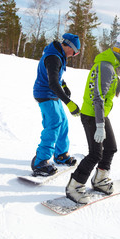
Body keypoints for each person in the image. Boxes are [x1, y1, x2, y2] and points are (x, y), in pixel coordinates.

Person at [66, 34, 120, 204]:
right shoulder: (106, 67)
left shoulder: (112, 66)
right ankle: (74, 186)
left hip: (100, 114)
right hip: (92, 115)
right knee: (95, 154)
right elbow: (98, 96)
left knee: (110, 148)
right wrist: (100, 125)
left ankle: (99, 180)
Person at [31, 33, 81, 176]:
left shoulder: (57, 54)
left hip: (51, 93)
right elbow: (52, 83)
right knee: (54, 123)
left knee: (63, 122)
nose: (74, 55)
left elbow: (55, 77)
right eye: (75, 52)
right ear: (69, 47)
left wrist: (64, 85)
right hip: (45, 93)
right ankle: (40, 161)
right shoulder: (53, 57)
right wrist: (69, 102)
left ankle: (61, 154)